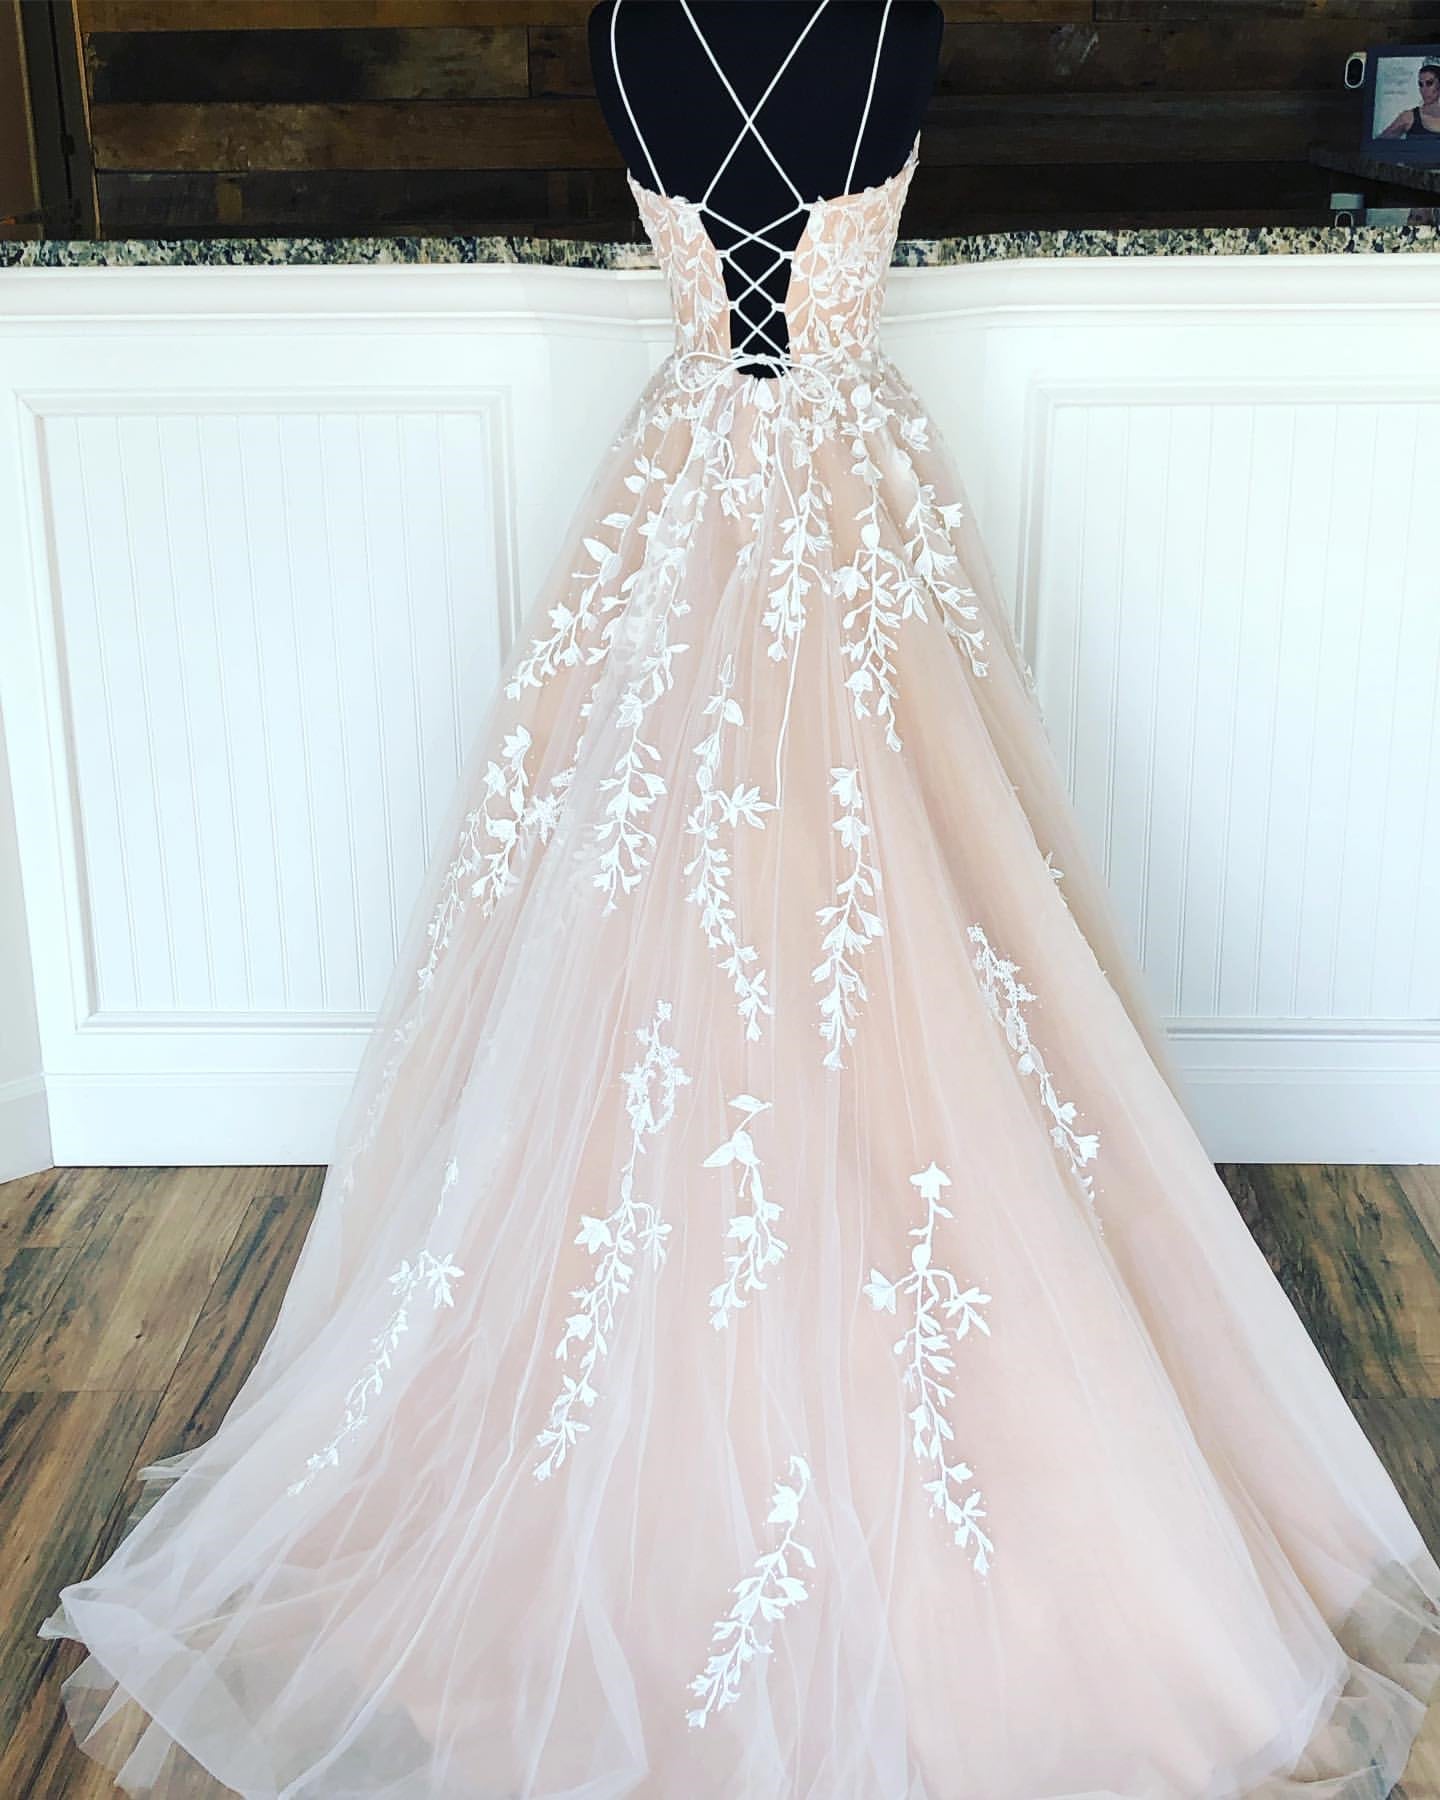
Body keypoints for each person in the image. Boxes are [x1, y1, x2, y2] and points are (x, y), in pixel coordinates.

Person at [37, 3, 1440, 1794]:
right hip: (819, 496)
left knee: (885, 916)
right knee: (767, 928)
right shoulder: (785, 21)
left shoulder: (675, 25)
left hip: (707, 496)